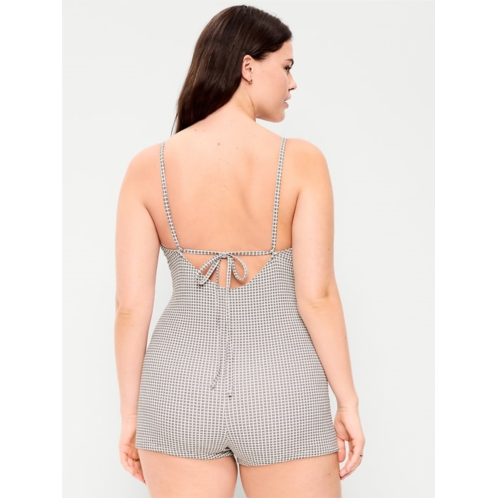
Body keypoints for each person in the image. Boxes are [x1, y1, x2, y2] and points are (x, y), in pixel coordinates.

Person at [114, 5, 365, 497]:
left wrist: (130, 414)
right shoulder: (301, 161)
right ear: (248, 67)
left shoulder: (149, 167)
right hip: (283, 388)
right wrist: (348, 401)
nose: (292, 83)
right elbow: (316, 297)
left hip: (177, 389)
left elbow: (130, 308)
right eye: (286, 67)